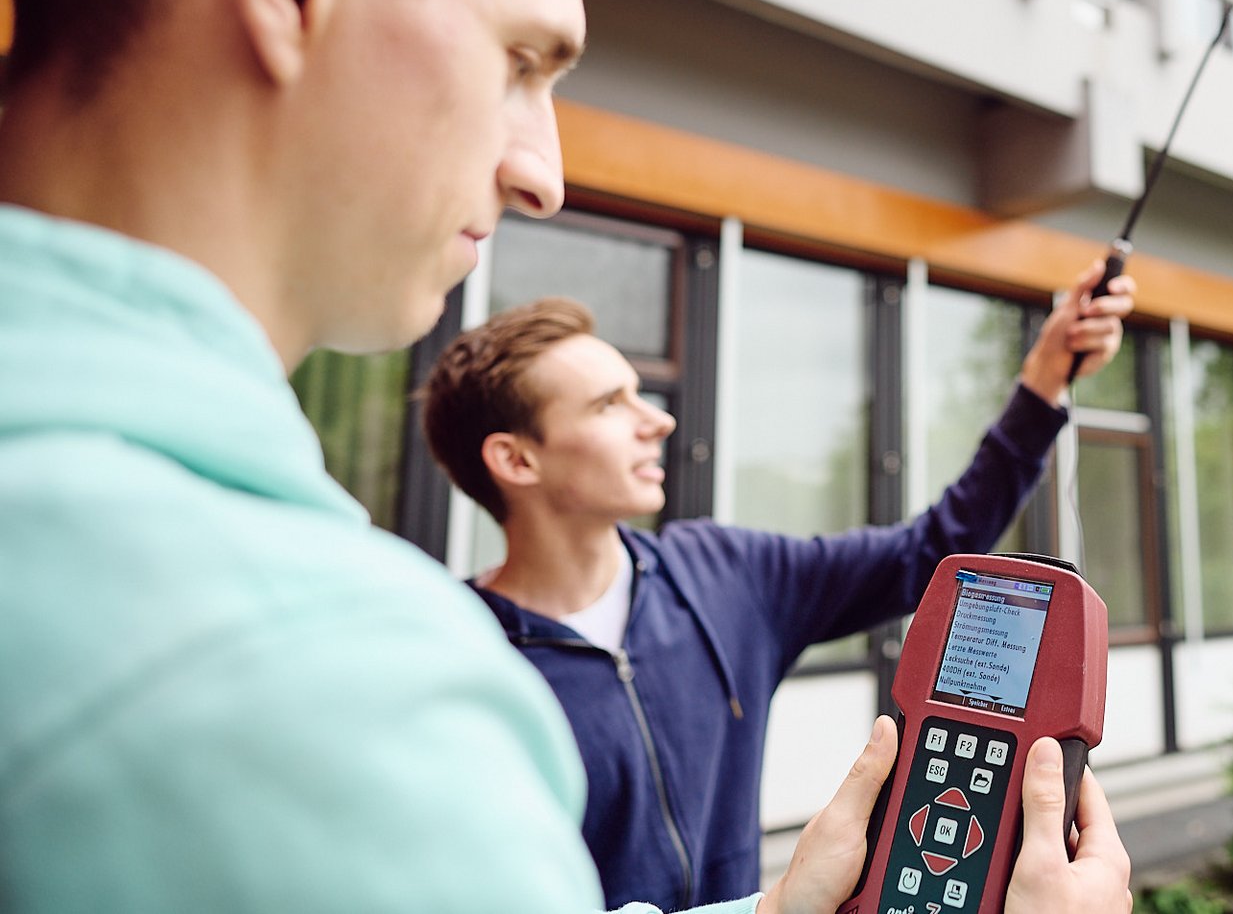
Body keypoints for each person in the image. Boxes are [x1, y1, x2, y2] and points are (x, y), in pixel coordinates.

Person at [0, 0, 1132, 911]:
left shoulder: (706, 582)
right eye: (524, 60)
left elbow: (937, 544)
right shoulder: (322, 679)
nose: (542, 171)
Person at [421, 266, 1133, 909]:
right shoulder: (453, 663)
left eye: (642, 393)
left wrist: (1042, 384)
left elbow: (935, 548)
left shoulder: (728, 574)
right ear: (515, 459)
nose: (658, 420)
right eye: (610, 405)